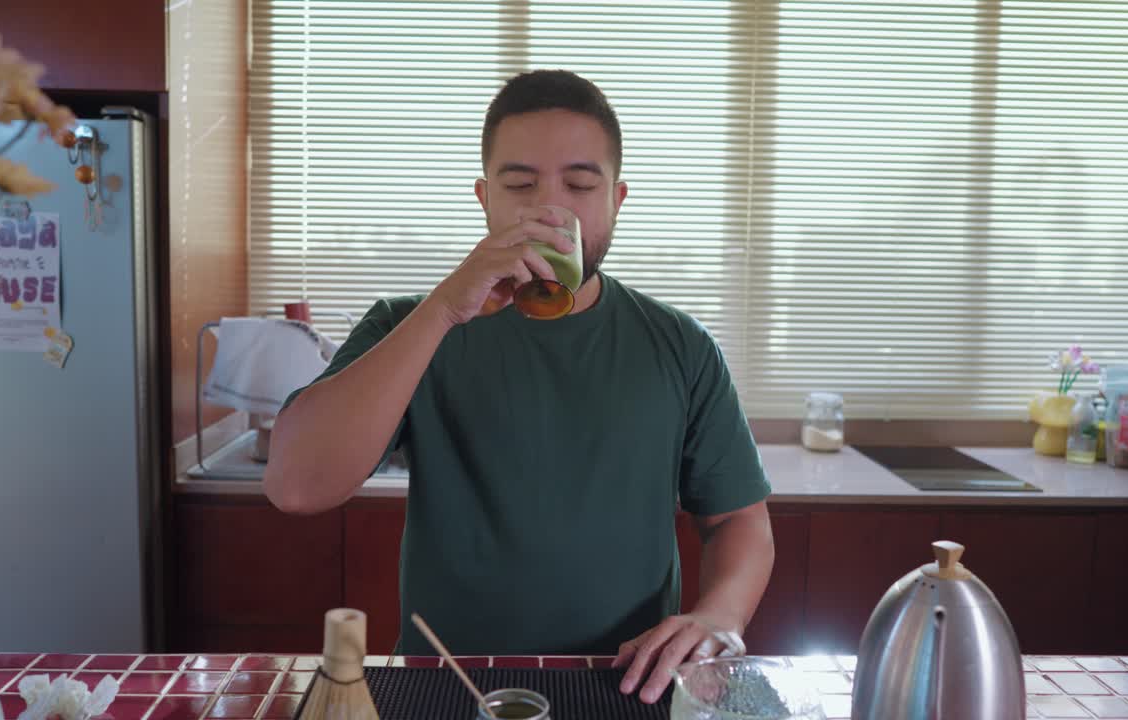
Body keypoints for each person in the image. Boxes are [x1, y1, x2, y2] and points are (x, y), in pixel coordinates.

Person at [264, 69, 775, 705]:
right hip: (446, 684)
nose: (549, 208)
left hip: (623, 685)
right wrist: (446, 307)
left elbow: (738, 520)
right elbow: (295, 485)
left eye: (581, 184)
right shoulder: (410, 324)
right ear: (485, 198)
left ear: (617, 200)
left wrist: (719, 618)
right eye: (520, 183)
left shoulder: (680, 345)